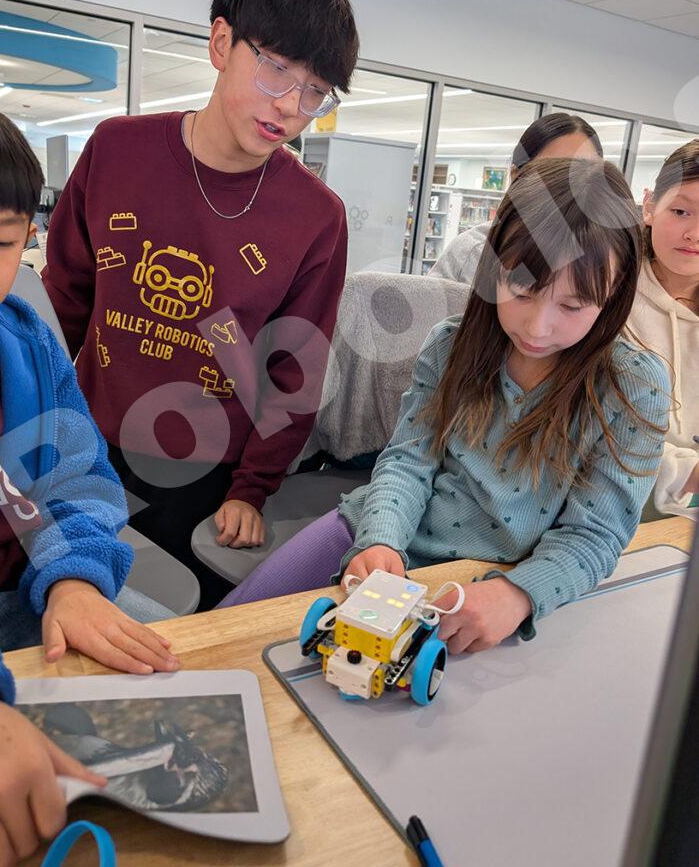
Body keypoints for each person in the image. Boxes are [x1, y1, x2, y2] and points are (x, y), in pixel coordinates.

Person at [220, 158, 670, 655]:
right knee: (228, 630)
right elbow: (408, 461)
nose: (537, 327)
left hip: (492, 583)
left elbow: (596, 534)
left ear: (614, 294)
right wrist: (380, 540)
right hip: (376, 528)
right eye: (522, 291)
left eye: (572, 306)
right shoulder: (451, 345)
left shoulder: (634, 386)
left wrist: (518, 595)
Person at [42, 0, 358, 606]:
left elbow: (294, 373)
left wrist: (252, 488)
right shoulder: (117, 150)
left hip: (207, 475)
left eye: (315, 91)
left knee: (175, 624)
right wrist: (31, 421)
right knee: (62, 606)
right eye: (275, 69)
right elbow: (62, 299)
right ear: (221, 43)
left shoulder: (315, 216)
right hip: (85, 444)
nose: (290, 106)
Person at [0, 85, 178, 867]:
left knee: (176, 709)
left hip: (32, 597)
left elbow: (79, 482)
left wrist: (71, 578)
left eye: (3, 240)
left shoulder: (26, 341)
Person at [429, 112, 603, 283]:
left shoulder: (607, 259)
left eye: (585, 170)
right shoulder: (473, 253)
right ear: (517, 176)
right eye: (552, 172)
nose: (571, 186)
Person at [628, 140, 699, 517]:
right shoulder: (603, 297)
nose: (694, 234)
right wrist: (688, 471)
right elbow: (591, 425)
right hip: (604, 509)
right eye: (681, 211)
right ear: (649, 206)